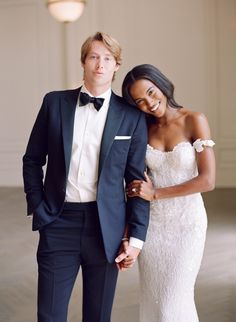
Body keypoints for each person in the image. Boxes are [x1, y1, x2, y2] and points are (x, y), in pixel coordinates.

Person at [22, 32, 150, 322]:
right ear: (83, 61)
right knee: (49, 315)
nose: (100, 64)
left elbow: (136, 181)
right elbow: (32, 160)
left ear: (116, 65)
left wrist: (137, 237)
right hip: (58, 222)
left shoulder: (131, 117)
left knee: (98, 316)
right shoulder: (54, 103)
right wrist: (39, 207)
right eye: (94, 56)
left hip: (107, 229)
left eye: (107, 58)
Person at [122, 64, 216, 322]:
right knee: (153, 302)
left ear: (161, 84)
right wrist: (129, 228)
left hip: (187, 224)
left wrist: (156, 194)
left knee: (173, 303)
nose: (149, 103)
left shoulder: (194, 120)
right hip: (152, 229)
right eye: (140, 101)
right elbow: (136, 182)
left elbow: (207, 181)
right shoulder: (142, 129)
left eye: (151, 92)